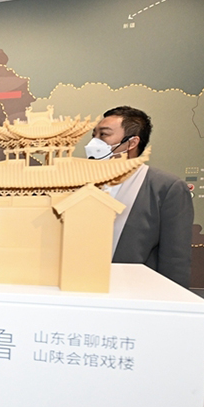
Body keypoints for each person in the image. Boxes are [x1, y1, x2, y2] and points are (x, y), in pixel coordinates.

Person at [84, 106, 193, 287]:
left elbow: (175, 258)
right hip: (83, 285)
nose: (94, 143)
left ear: (132, 142)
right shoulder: (81, 182)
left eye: (104, 135)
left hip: (136, 289)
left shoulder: (166, 188)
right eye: (94, 135)